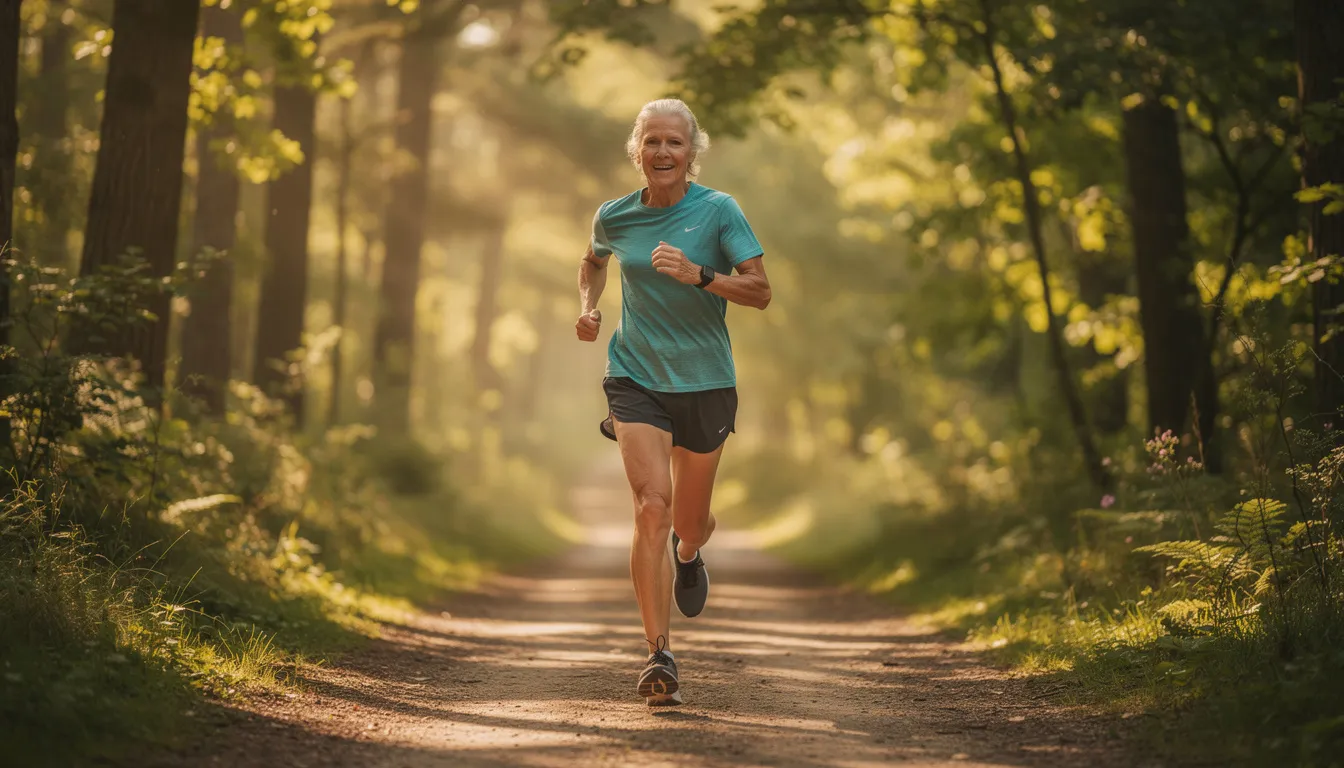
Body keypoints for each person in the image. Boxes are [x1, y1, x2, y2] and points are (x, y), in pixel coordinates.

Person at [575, 98, 772, 706]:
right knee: (650, 508)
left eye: (675, 144)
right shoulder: (616, 215)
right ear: (637, 149)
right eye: (652, 142)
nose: (662, 152)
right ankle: (658, 653)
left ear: (691, 153)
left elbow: (761, 292)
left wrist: (701, 276)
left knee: (687, 522)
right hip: (634, 375)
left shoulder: (719, 211)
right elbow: (592, 261)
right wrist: (587, 307)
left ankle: (690, 554)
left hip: (706, 380)